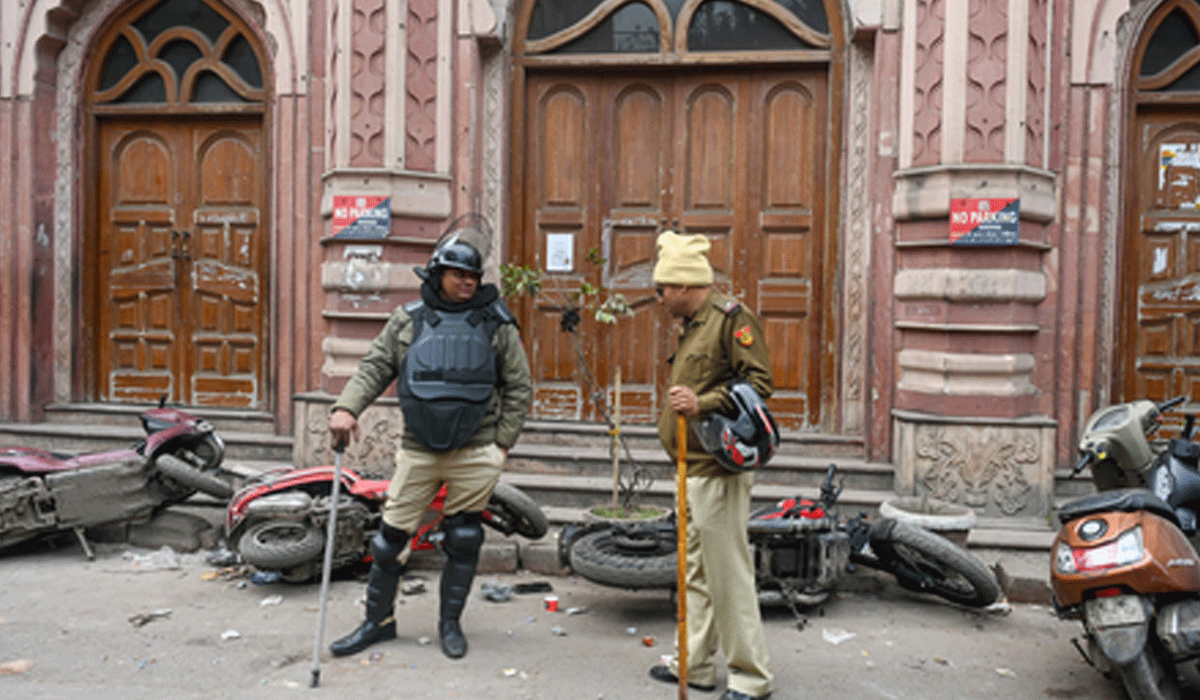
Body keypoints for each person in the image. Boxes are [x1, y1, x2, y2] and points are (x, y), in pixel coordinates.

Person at [326, 223, 532, 660]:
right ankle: (377, 622)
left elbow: (519, 387)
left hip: (476, 449)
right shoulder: (408, 320)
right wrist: (346, 407)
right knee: (388, 542)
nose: (468, 283)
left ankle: (450, 625)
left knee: (462, 538)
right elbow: (375, 366)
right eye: (459, 275)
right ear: (438, 273)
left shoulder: (495, 322)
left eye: (473, 277)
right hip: (419, 449)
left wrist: (503, 445)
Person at [647, 231, 774, 700]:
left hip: (717, 470)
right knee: (694, 572)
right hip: (686, 466)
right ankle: (695, 664)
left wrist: (703, 402)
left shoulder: (730, 321)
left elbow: (760, 383)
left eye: (663, 290)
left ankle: (751, 677)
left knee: (728, 575)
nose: (660, 299)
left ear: (683, 286)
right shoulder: (693, 324)